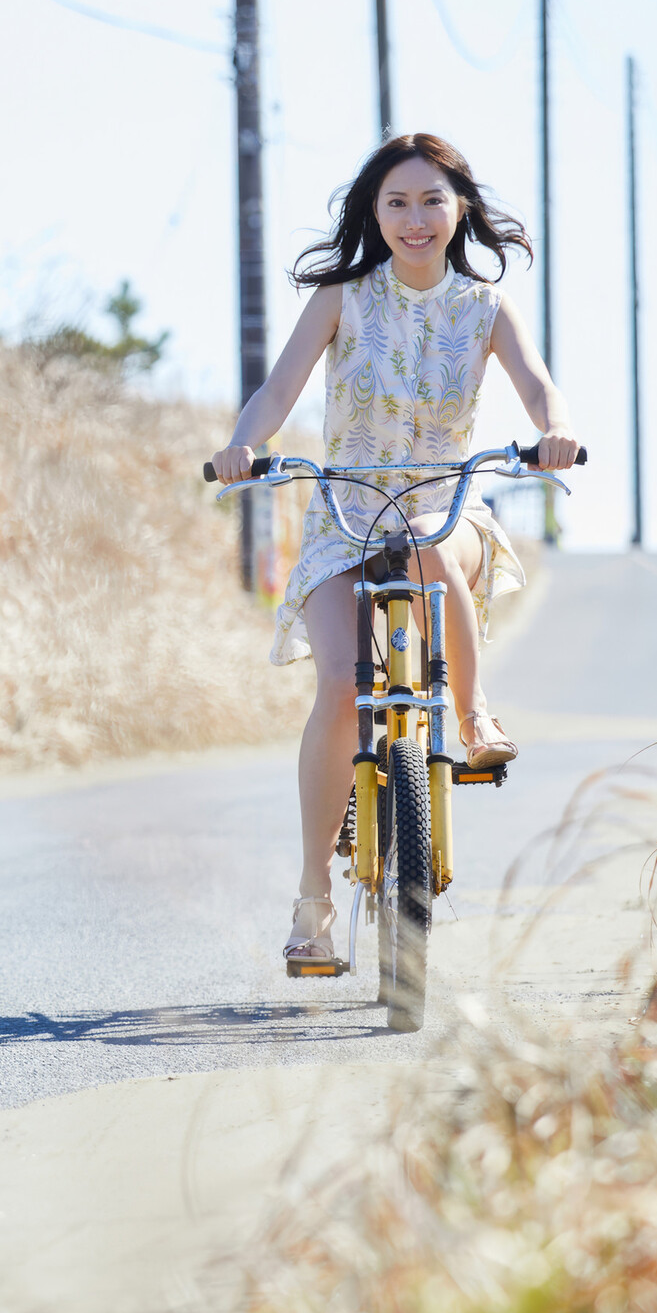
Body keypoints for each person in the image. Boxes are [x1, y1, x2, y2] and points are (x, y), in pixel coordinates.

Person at [210, 132, 581, 963]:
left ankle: (473, 714)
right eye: (397, 203)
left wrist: (553, 429)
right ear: (374, 215)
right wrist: (243, 443)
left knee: (428, 548)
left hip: (448, 513)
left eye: (432, 201)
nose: (415, 219)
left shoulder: (484, 307)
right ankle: (313, 904)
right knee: (342, 688)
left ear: (460, 211)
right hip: (346, 516)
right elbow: (278, 389)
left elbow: (535, 383)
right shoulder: (343, 296)